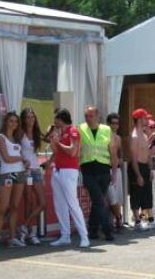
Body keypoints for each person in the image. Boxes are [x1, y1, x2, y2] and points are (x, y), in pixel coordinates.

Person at [48, 108, 90, 248]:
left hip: (68, 171)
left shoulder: (73, 130)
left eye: (56, 118)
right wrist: (53, 141)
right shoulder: (61, 132)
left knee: (72, 204)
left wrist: (58, 143)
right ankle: (65, 235)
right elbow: (57, 151)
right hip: (58, 170)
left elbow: (73, 152)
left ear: (61, 119)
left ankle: (84, 237)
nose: (54, 121)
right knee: (60, 205)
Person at [79, 106, 119, 241]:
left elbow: (113, 152)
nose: (88, 118)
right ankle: (108, 230)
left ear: (97, 116)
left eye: (91, 116)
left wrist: (114, 172)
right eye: (86, 116)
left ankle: (93, 230)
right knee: (100, 201)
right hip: (88, 171)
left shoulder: (106, 130)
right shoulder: (80, 128)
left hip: (104, 171)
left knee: (97, 202)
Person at [0, 111, 28, 251]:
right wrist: (21, 158)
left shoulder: (16, 138)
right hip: (7, 174)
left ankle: (12, 238)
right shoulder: (1, 137)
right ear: (6, 122)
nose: (14, 124)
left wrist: (24, 162)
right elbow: (6, 158)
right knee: (3, 207)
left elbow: (18, 155)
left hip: (20, 173)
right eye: (11, 121)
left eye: (16, 121)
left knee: (14, 206)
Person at [130, 108, 155, 230]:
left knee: (147, 194)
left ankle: (150, 220)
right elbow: (133, 158)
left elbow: (148, 155)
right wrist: (138, 175)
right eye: (145, 118)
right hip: (137, 167)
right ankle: (137, 222)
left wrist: (150, 170)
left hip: (145, 167)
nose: (147, 120)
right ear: (139, 119)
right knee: (136, 194)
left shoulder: (144, 135)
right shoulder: (134, 136)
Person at [18, 107, 45, 245]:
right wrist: (23, 160)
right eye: (28, 117)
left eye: (32, 116)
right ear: (23, 119)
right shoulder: (20, 132)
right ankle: (31, 233)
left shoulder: (36, 132)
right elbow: (15, 149)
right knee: (29, 201)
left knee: (42, 203)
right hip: (26, 171)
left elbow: (46, 140)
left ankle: (24, 227)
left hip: (36, 170)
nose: (31, 119)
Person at [105, 113, 124, 231]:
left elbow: (120, 153)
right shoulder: (104, 137)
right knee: (111, 198)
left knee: (118, 197)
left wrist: (120, 160)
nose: (115, 126)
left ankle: (117, 220)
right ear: (108, 124)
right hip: (107, 169)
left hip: (117, 170)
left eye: (117, 123)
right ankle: (117, 218)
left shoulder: (118, 138)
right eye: (112, 123)